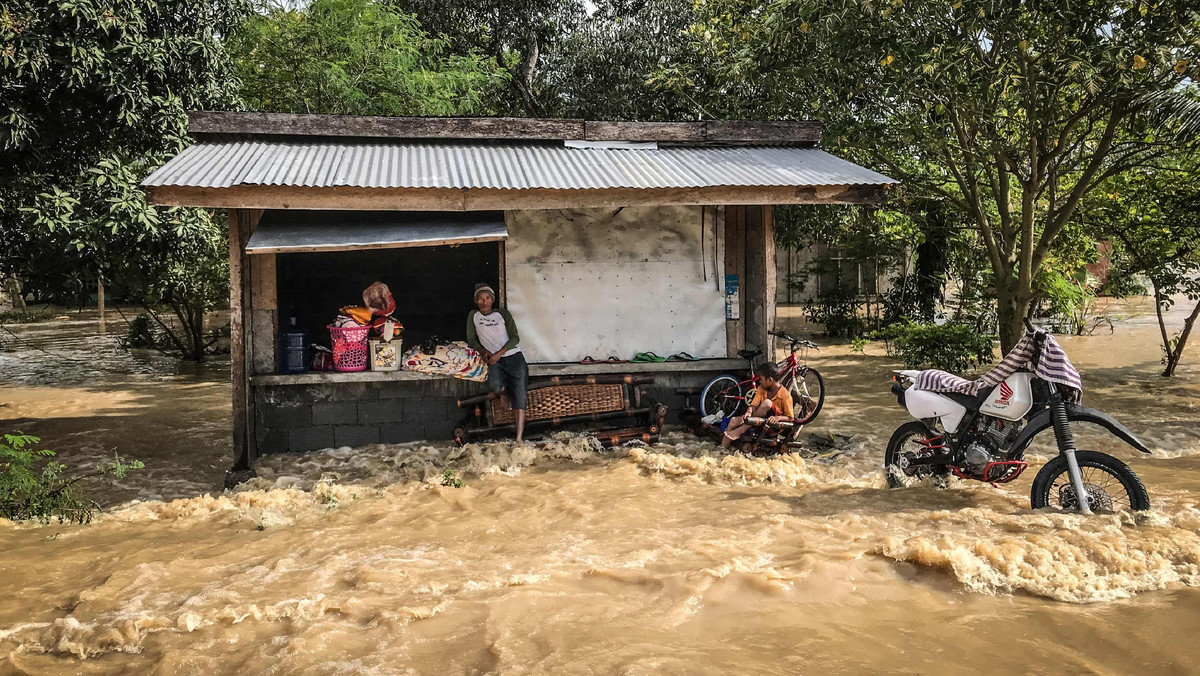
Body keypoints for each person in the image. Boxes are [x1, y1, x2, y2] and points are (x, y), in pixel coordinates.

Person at [466, 284, 529, 443]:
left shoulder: (502, 314)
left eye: (487, 298)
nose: (484, 301)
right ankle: (503, 394)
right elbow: (471, 339)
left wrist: (499, 354)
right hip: (493, 359)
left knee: (520, 395)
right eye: (480, 298)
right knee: (494, 384)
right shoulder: (473, 316)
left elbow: (515, 338)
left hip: (513, 357)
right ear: (476, 301)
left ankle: (519, 438)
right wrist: (483, 352)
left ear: (492, 300)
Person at [721, 363, 794, 449]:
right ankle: (723, 449)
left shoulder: (785, 395)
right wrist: (749, 412)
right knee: (733, 421)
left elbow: (791, 418)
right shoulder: (761, 388)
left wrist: (777, 418)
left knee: (767, 403)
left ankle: (741, 429)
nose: (759, 381)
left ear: (770, 380)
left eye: (761, 379)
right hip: (757, 420)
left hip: (771, 426)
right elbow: (754, 405)